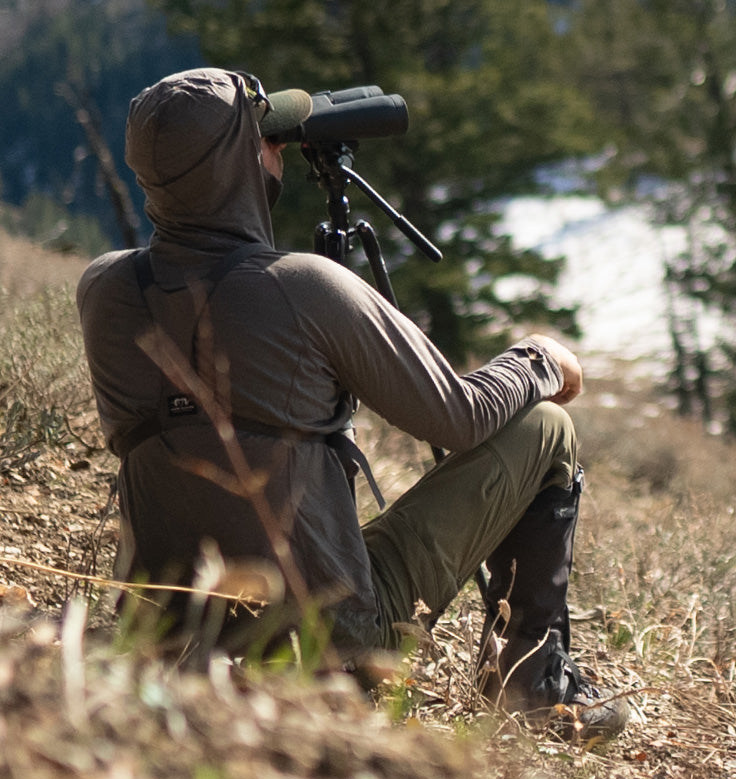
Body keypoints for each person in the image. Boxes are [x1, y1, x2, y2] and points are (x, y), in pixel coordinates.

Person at [77, 67, 627, 737]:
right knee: (546, 427)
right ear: (238, 164)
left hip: (167, 642)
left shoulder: (104, 290)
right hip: (326, 647)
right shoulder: (303, 288)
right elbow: (459, 417)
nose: (278, 149)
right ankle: (533, 686)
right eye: (267, 139)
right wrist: (536, 358)